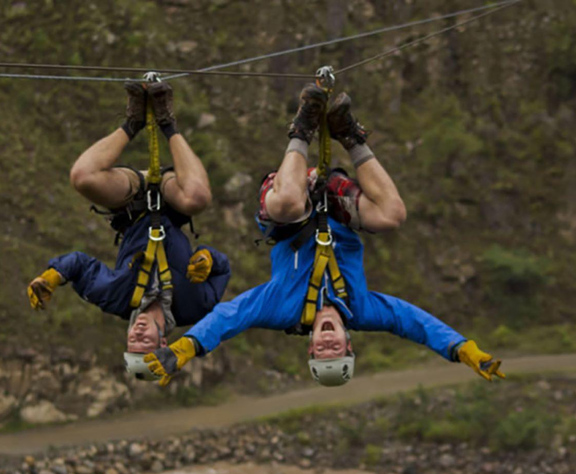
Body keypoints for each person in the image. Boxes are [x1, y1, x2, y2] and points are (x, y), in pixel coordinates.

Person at [143, 84, 505, 386]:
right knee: (393, 215)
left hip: (288, 211)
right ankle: (349, 134)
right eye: (338, 350)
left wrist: (186, 348)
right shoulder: (362, 310)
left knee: (286, 201)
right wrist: (461, 348)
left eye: (323, 350)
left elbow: (230, 317)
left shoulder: (280, 309)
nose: (330, 342)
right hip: (332, 203)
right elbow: (414, 322)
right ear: (349, 344)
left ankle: (302, 128)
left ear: (311, 347)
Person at [27, 81, 231, 374]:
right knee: (198, 196)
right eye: (143, 343)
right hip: (172, 203)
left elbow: (80, 266)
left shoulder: (116, 298)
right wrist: (208, 259)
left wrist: (52, 276)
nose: (135, 335)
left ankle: (133, 121)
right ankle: (167, 122)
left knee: (82, 177)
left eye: (130, 341)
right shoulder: (193, 307)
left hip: (132, 203)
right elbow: (223, 271)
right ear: (163, 340)